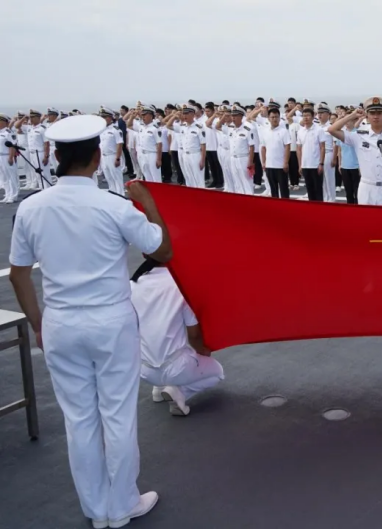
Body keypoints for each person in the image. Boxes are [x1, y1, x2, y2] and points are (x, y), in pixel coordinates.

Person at [9, 115, 173, 528]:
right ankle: (123, 504)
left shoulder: (30, 207)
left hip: (60, 322)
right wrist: (149, 203)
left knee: (79, 419)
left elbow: (19, 273)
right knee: (117, 414)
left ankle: (96, 510)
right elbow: (163, 250)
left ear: (58, 156)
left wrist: (38, 323)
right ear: (98, 158)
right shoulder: (113, 205)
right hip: (109, 320)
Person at [130, 257, 224, 417]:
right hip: (175, 366)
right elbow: (194, 335)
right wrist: (203, 350)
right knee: (217, 372)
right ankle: (180, 393)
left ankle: (159, 389)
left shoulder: (133, 284)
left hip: (144, 370)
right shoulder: (181, 285)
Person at [327, 96, 382, 207]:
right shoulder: (359, 136)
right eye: (372, 113)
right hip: (366, 188)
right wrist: (352, 115)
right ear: (367, 116)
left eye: (379, 113)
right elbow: (332, 130)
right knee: (365, 222)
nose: (375, 116)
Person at [259, 105, 292, 199]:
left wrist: (285, 162)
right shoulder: (265, 132)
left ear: (279, 118)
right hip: (269, 165)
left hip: (280, 166)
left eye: (276, 117)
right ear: (268, 118)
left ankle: (286, 207)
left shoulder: (283, 131)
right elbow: (263, 148)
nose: (274, 119)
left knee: (284, 189)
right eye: (272, 117)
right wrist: (264, 162)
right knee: (273, 189)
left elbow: (287, 147)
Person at [297, 105, 326, 202]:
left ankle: (320, 211)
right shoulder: (300, 131)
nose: (305, 117)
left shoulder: (319, 130)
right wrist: (300, 165)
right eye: (304, 115)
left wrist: (321, 163)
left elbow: (322, 147)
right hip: (305, 165)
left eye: (308, 115)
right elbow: (299, 149)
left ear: (313, 117)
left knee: (318, 190)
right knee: (310, 190)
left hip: (316, 165)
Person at [127, 105, 162, 183]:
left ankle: (158, 194)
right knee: (147, 177)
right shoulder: (141, 127)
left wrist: (159, 159)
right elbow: (129, 125)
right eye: (142, 115)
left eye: (145, 115)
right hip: (142, 155)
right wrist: (132, 117)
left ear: (151, 115)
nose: (143, 116)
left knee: (156, 178)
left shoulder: (155, 128)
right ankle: (150, 194)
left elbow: (159, 144)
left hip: (152, 155)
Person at [335, 109, 362, 204]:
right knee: (348, 190)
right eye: (346, 120)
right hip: (345, 166)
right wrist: (340, 164)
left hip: (356, 166)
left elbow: (361, 152)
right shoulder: (342, 133)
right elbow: (339, 150)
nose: (347, 123)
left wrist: (360, 166)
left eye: (349, 120)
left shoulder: (359, 133)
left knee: (357, 191)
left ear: (354, 120)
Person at [98, 107, 126, 195]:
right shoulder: (101, 130)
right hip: (104, 157)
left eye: (105, 117)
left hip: (112, 156)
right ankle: (113, 195)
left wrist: (117, 158)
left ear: (110, 118)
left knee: (117, 178)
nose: (103, 119)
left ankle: (121, 196)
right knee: (109, 178)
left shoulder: (116, 130)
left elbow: (119, 144)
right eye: (102, 117)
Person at [0, 113, 20, 203]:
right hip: (0, 156)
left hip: (6, 156)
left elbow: (12, 146)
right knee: (4, 177)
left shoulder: (8, 132)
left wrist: (11, 157)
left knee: (11, 176)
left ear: (4, 122)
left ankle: (13, 195)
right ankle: (7, 194)